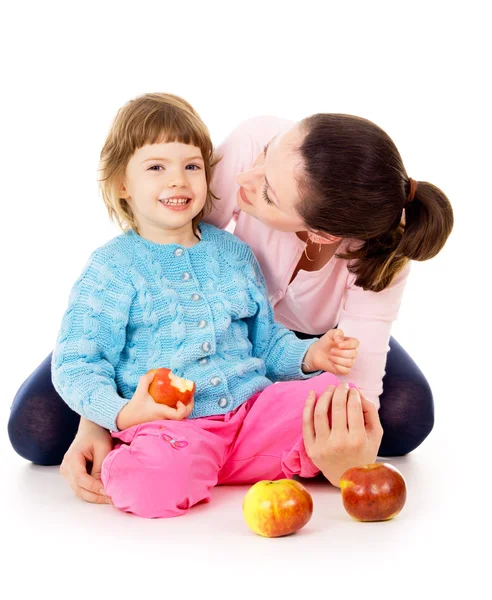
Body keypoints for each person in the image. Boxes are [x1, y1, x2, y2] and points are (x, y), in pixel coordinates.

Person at [8, 99, 453, 506]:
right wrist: (109, 414)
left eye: (192, 167)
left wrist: (313, 358)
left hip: (249, 394)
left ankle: (213, 462)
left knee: (362, 405)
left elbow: (267, 341)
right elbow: (169, 228)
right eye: (157, 168)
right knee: (39, 428)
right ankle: (182, 459)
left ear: (322, 233)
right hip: (165, 395)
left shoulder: (237, 254)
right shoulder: (113, 266)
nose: (241, 179)